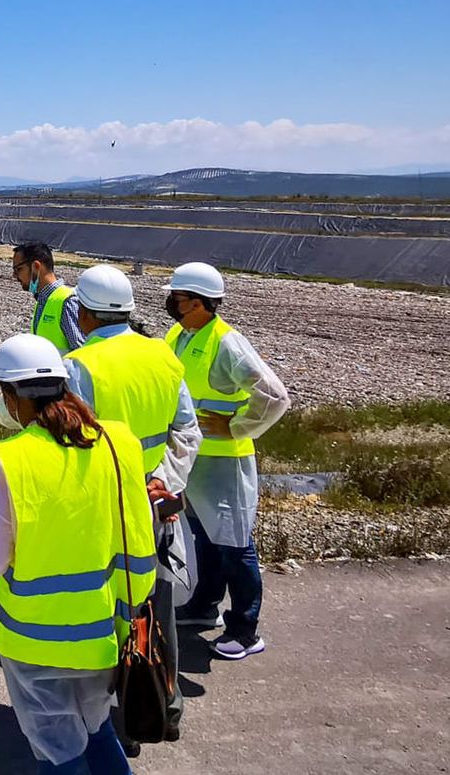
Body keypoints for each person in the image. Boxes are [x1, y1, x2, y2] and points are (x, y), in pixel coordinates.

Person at [0, 334, 156, 775]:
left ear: (12, 398)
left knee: (57, 749)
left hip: (34, 642)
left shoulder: (7, 461)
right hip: (108, 630)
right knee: (97, 724)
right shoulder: (120, 442)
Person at [63, 264, 199, 745]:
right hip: (157, 507)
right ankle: (166, 701)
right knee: (157, 606)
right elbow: (187, 431)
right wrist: (164, 480)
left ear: (84, 312)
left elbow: (73, 443)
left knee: (109, 609)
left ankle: (118, 716)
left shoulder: (81, 366)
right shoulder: (162, 356)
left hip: (108, 511)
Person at [163, 262, 290, 660]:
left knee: (235, 546)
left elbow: (274, 395)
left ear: (198, 302)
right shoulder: (180, 335)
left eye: (178, 298)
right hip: (196, 461)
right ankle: (204, 608)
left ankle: (246, 631)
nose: (172, 303)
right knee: (206, 539)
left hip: (226, 463)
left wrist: (236, 426)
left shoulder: (227, 342)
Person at [12, 242, 84, 353]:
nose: (14, 275)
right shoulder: (43, 301)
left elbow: (82, 353)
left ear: (36, 267)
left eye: (18, 269)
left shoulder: (66, 302)